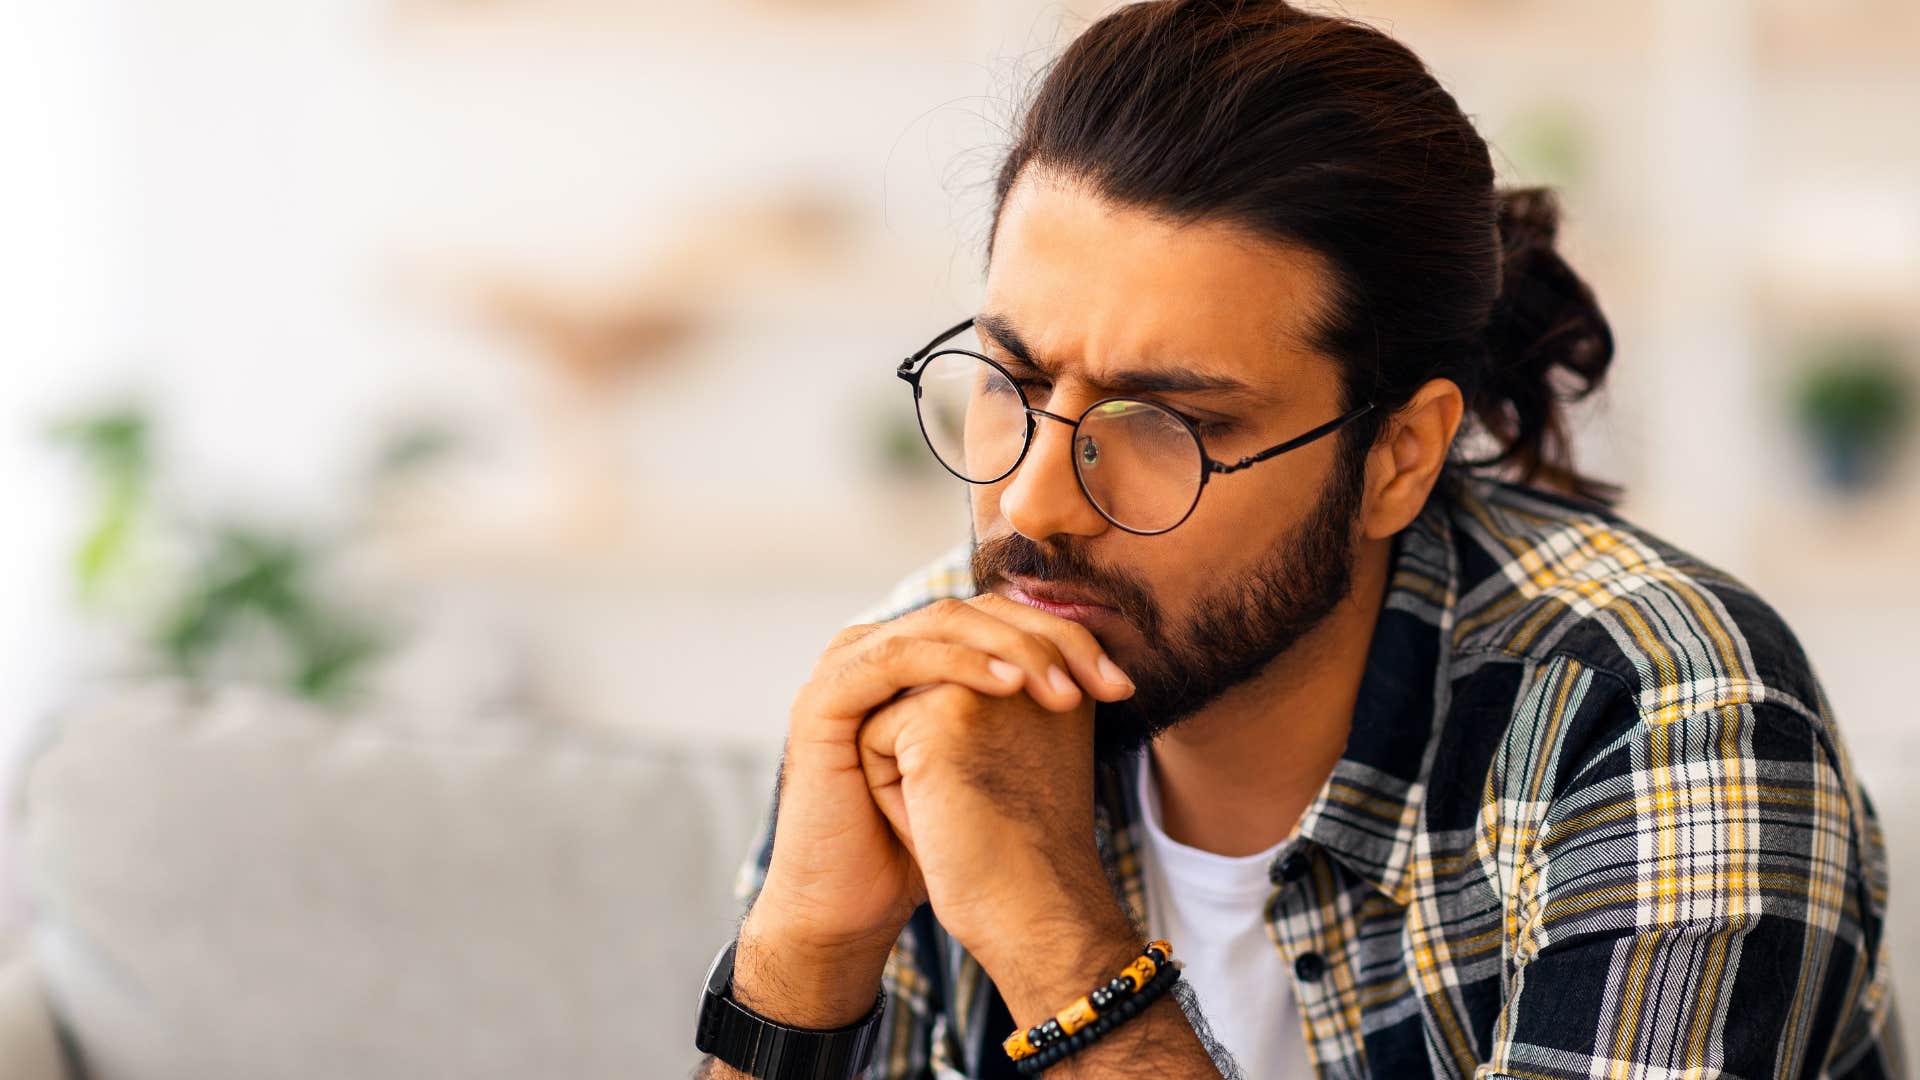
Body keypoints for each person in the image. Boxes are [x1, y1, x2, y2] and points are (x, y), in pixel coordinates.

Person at [693, 1, 1901, 1076]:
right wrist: (805, 957)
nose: (1033, 505)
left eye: (1164, 421)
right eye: (1010, 379)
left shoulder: (1668, 717)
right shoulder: (937, 676)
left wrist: (1053, 937)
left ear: (1398, 457)